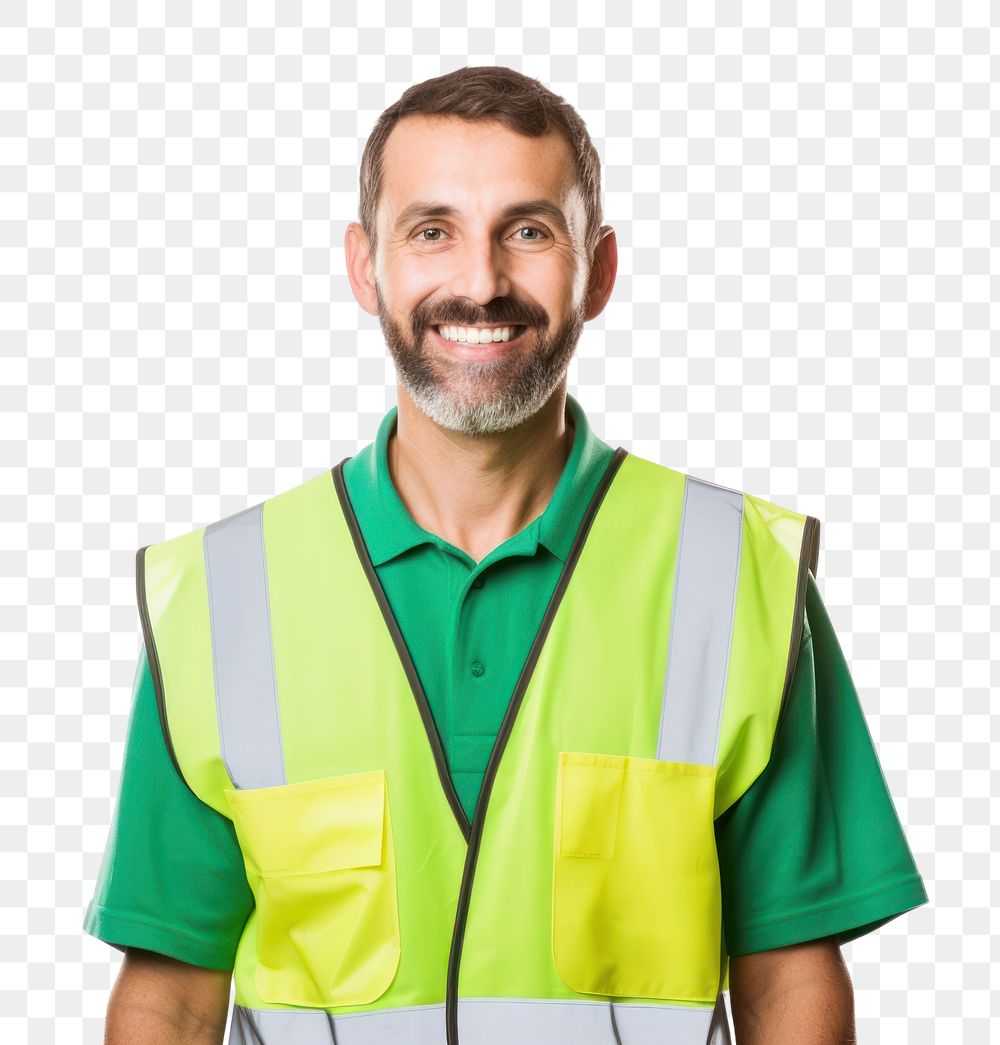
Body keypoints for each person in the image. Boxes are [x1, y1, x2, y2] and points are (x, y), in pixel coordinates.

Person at [84, 66, 928, 1045]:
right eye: (431, 230)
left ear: (598, 271)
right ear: (365, 267)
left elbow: (787, 975)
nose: (479, 282)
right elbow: (173, 992)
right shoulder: (220, 595)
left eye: (528, 231)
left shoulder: (736, 575)